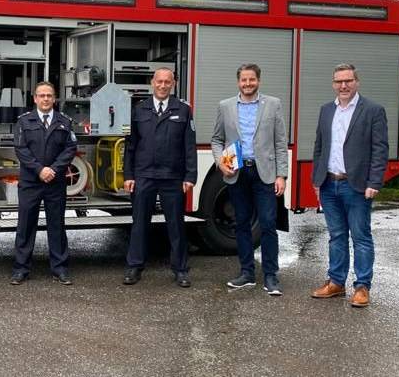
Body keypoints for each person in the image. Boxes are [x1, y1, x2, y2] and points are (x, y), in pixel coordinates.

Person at [310, 63, 389, 308]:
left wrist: (374, 181)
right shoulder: (326, 110)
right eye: (338, 81)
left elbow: (380, 149)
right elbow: (319, 147)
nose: (343, 85)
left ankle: (362, 286)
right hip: (329, 184)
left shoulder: (373, 110)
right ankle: (336, 282)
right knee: (336, 236)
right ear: (333, 84)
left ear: (356, 82)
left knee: (361, 237)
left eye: (348, 81)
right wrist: (316, 179)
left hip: (356, 186)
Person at [210, 63, 288, 296]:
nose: (247, 84)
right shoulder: (225, 106)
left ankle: (271, 276)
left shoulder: (273, 104)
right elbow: (216, 139)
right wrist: (220, 163)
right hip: (238, 174)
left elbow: (280, 143)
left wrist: (281, 175)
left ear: (258, 81)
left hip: (264, 173)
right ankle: (247, 273)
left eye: (251, 80)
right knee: (242, 224)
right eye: (243, 80)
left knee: (267, 224)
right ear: (238, 82)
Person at [122, 68, 197, 287]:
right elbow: (131, 146)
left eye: (167, 82)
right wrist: (128, 175)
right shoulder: (139, 109)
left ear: (173, 84)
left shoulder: (183, 110)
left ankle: (181, 270)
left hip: (172, 177)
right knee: (139, 224)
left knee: (176, 225)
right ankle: (134, 267)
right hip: (143, 175)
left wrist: (190, 176)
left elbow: (189, 146)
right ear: (152, 83)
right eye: (159, 82)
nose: (163, 86)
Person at [10, 82, 78, 286]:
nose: (46, 99)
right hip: (31, 182)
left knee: (56, 225)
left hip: (55, 182)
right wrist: (39, 169)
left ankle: (60, 269)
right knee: (26, 225)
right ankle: (21, 269)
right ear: (35, 99)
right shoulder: (24, 121)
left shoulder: (65, 121)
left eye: (49, 95)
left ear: (55, 98)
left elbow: (70, 148)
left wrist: (54, 169)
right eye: (42, 95)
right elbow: (21, 149)